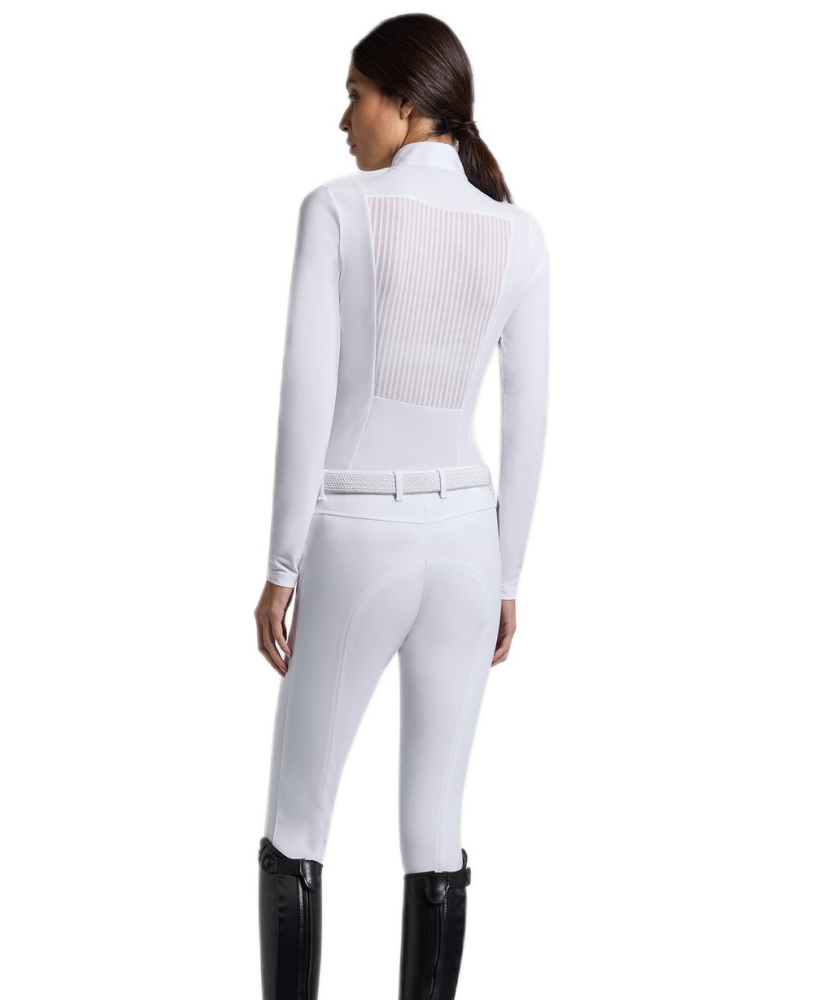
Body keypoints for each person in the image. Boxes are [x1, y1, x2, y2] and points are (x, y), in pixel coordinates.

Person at [253, 14, 549, 1000]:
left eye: (356, 95)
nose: (344, 120)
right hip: (467, 543)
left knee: (299, 822)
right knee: (436, 830)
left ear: (410, 102)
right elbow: (528, 420)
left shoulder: (338, 209)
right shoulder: (519, 234)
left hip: (355, 533)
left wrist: (281, 567)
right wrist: (507, 574)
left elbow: (304, 395)